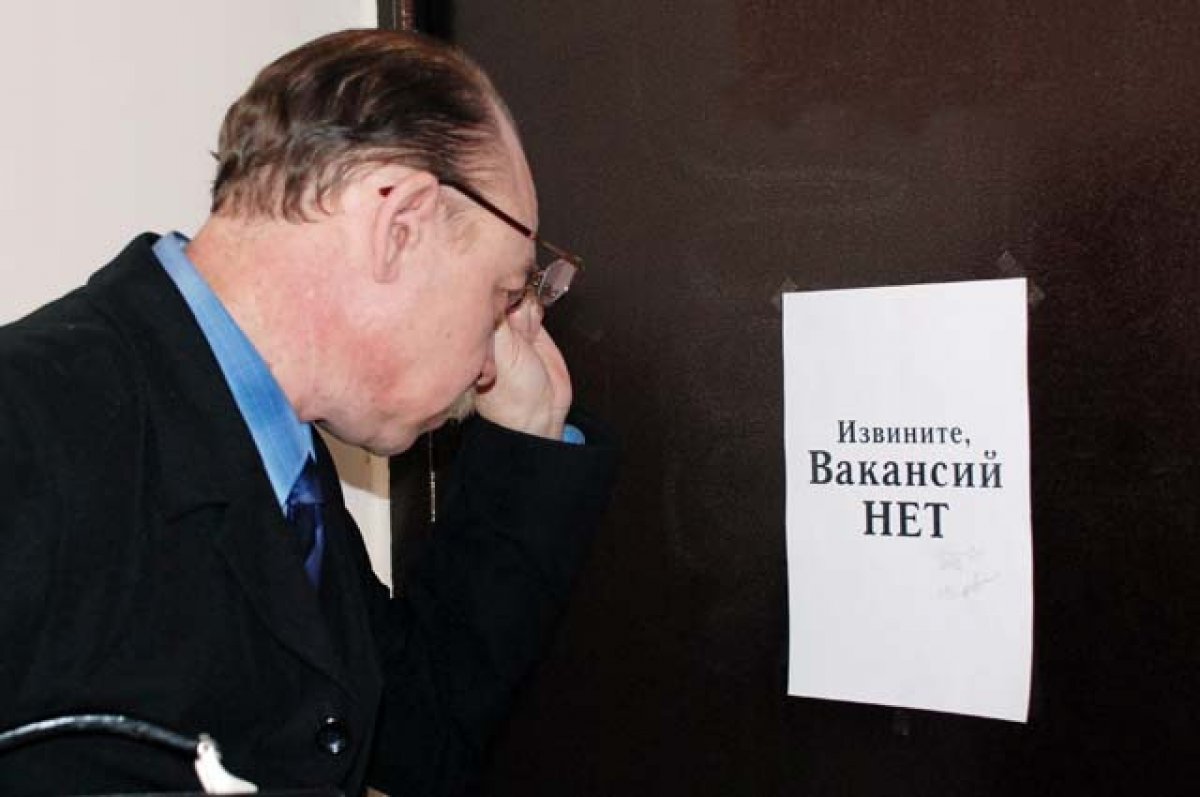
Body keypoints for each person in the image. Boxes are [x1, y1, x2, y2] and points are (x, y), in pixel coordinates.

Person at [0, 28, 616, 796]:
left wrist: (527, 442)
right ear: (399, 224)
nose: (491, 359)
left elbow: (413, 733)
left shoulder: (284, 461)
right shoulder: (26, 425)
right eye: (504, 291)